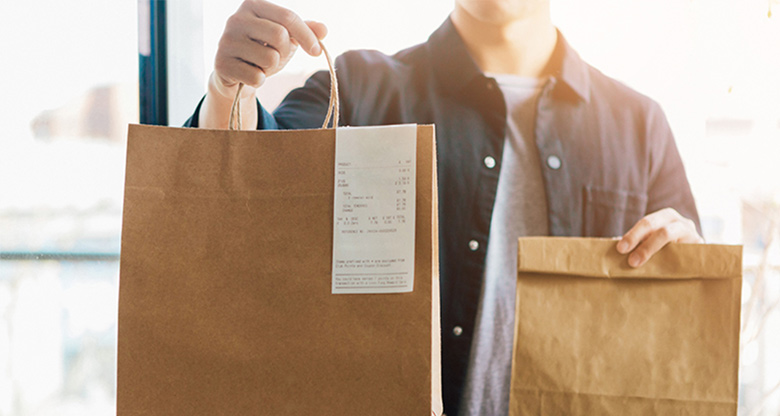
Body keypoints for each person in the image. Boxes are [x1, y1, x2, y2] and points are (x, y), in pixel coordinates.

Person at [185, 0, 704, 414]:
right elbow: (246, 198)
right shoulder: (361, 89)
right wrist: (229, 89)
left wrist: (691, 267)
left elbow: (688, 335)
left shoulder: (640, 126)